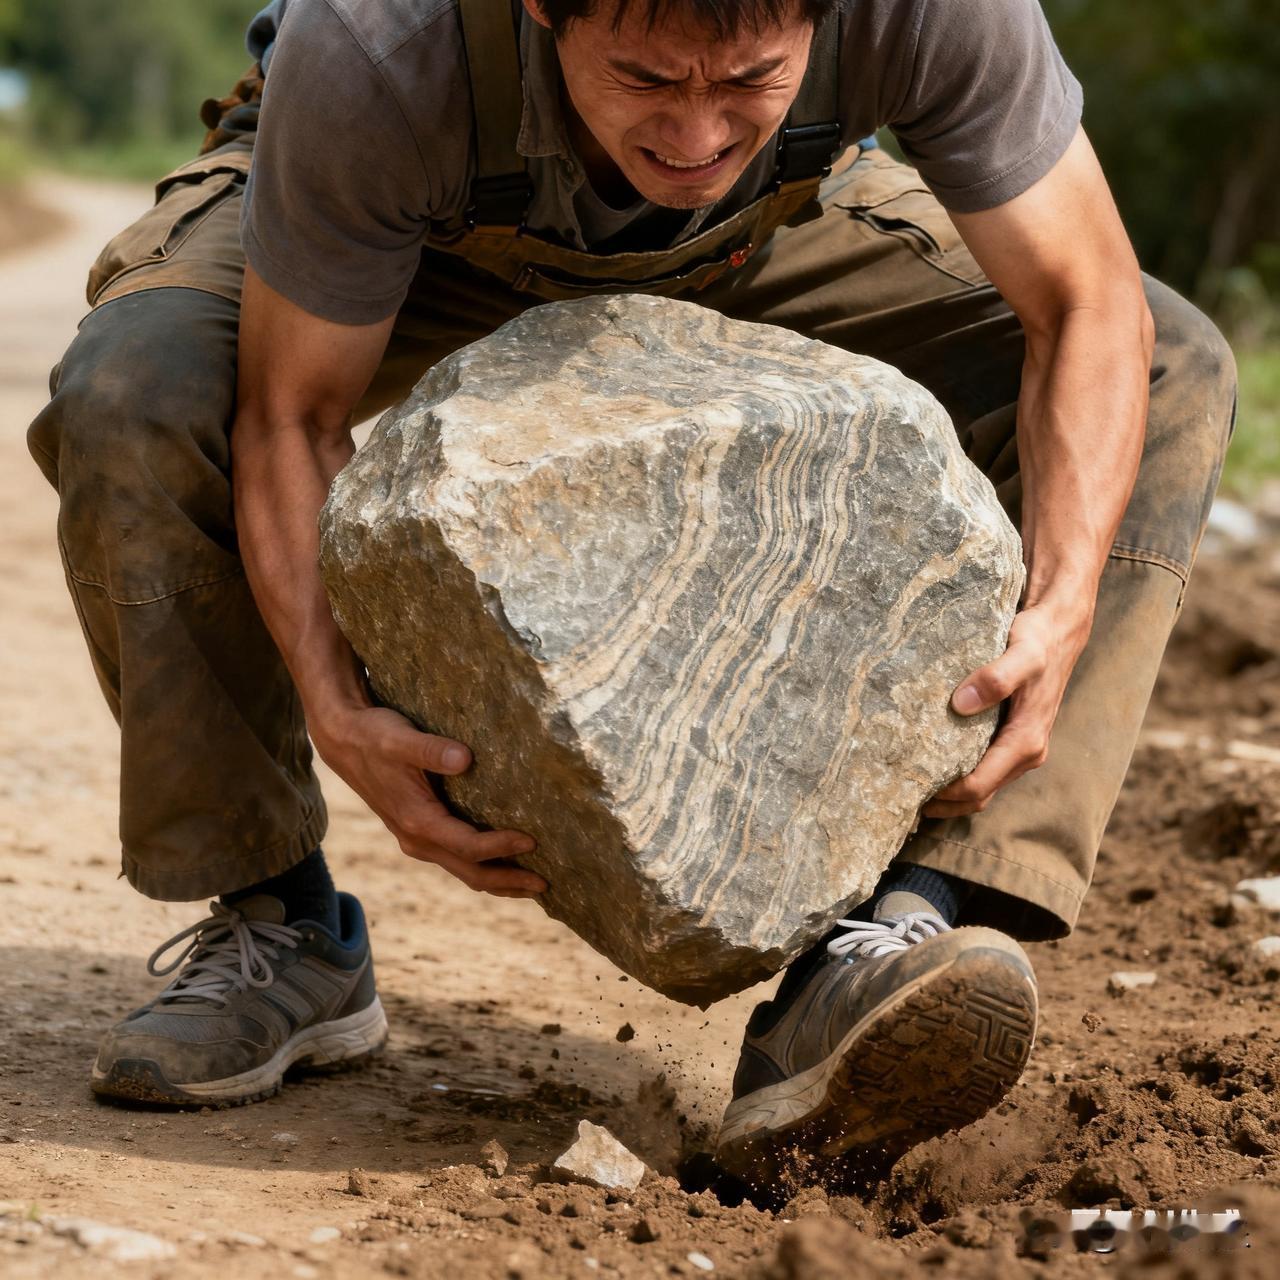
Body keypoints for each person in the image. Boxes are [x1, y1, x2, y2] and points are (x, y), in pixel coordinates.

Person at [28, 0, 1234, 1183]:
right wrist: (340, 711)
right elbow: (290, 416)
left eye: (750, 78)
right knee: (140, 381)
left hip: (755, 229)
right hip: (409, 222)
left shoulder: (930, 10)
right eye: (649, 78)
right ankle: (277, 922)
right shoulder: (377, 44)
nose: (697, 130)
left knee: (1166, 357)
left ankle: (895, 941)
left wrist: (1066, 594)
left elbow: (1085, 305)